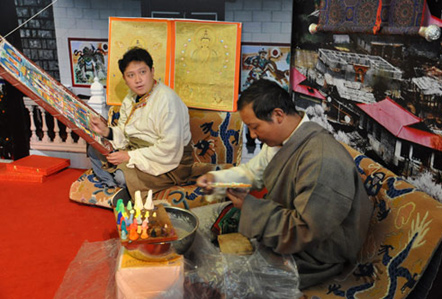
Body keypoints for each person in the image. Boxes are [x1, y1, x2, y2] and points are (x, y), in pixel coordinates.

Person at [197, 79, 374, 289]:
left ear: (278, 115)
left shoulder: (322, 159)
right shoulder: (285, 140)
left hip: (314, 256)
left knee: (223, 280)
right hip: (285, 229)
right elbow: (255, 172)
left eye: (255, 127)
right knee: (200, 227)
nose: (253, 135)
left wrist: (249, 207)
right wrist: (218, 180)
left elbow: (305, 231)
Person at [89, 47, 193, 201]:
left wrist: (128, 156)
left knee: (121, 176)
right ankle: (115, 185)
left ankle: (117, 184)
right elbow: (125, 132)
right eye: (131, 75)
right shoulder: (130, 98)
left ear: (152, 71)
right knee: (93, 147)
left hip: (168, 161)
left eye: (142, 72)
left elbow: (169, 148)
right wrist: (106, 132)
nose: (138, 80)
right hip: (136, 150)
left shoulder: (167, 100)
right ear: (125, 78)